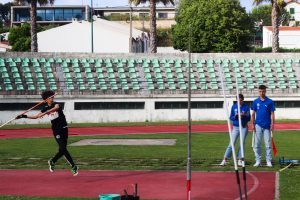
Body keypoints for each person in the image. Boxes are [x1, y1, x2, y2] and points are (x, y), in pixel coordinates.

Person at [15, 90, 78, 176]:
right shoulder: (45, 108)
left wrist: (46, 112)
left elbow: (55, 108)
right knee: (63, 148)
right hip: (56, 130)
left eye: (52, 96)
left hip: (64, 128)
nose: (52, 98)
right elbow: (36, 116)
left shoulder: (56, 104)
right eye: (50, 97)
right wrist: (23, 116)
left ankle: (52, 161)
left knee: (62, 150)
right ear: (46, 100)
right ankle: (73, 166)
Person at [220, 94, 251, 166]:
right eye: (238, 100)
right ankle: (225, 159)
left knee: (242, 143)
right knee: (232, 143)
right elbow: (231, 117)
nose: (239, 101)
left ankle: (240, 159)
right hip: (236, 127)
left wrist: (244, 116)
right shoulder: (233, 106)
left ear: (243, 99)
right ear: (236, 100)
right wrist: (236, 116)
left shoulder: (246, 107)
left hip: (243, 127)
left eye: (241, 100)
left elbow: (249, 118)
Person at [251, 85, 275, 167]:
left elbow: (272, 114)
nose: (262, 93)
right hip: (258, 125)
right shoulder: (255, 101)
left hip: (267, 126)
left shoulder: (270, 102)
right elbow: (253, 114)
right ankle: (258, 160)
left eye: (263, 91)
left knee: (268, 144)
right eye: (260, 91)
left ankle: (268, 160)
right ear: (258, 91)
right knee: (257, 144)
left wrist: (272, 124)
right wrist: (253, 124)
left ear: (265, 91)